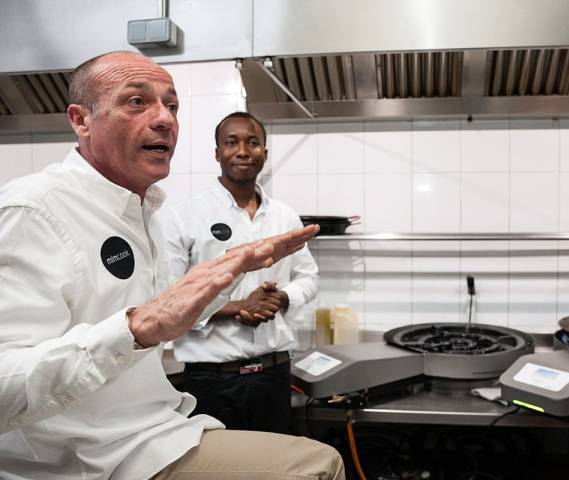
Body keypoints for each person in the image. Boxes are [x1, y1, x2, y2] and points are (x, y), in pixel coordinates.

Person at [0, 51, 344, 480]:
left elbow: (172, 311)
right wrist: (141, 326)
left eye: (173, 106)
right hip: (81, 459)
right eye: (136, 101)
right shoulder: (32, 210)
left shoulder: (144, 215)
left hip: (160, 431)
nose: (165, 119)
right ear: (81, 120)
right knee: (316, 466)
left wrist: (250, 291)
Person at [161, 111, 318, 434]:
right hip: (211, 379)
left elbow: (309, 277)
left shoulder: (285, 216)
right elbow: (169, 297)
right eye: (231, 142)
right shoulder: (184, 217)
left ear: (265, 153)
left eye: (253, 142)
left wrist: (281, 298)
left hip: (274, 374)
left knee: (274, 467)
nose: (243, 151)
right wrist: (237, 308)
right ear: (217, 153)